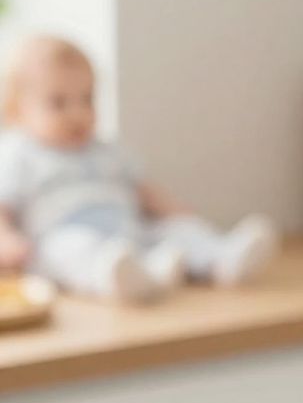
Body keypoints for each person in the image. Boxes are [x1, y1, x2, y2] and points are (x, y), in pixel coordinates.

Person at [0, 36, 278, 299]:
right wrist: (6, 238)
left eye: (87, 99)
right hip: (63, 235)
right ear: (16, 110)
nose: (78, 113)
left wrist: (176, 212)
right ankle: (117, 278)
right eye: (58, 103)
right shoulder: (20, 155)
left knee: (177, 231)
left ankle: (222, 258)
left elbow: (143, 190)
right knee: (67, 251)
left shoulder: (106, 151)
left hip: (129, 231)